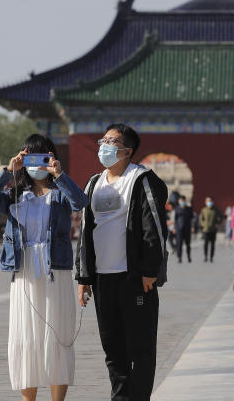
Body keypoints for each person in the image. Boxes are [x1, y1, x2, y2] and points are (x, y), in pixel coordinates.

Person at [0, 134, 89, 401]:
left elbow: (80, 202)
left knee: (58, 335)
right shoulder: (14, 195)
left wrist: (60, 175)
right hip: (24, 270)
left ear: (52, 158)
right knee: (25, 336)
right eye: (29, 156)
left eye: (42, 157)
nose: (36, 163)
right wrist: (9, 171)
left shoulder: (60, 195)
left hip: (56, 269)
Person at [75, 123, 168, 401]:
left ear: (127, 151)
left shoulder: (142, 179)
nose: (103, 145)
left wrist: (150, 270)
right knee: (113, 348)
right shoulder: (94, 183)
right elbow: (85, 232)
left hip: (135, 278)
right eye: (103, 139)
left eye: (111, 141)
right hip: (104, 279)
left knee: (139, 349)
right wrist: (84, 278)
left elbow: (155, 227)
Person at [198, 197, 223, 262]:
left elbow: (221, 217)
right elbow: (201, 219)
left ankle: (211, 257)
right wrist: (204, 224)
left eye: (210, 201)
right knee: (205, 244)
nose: (209, 202)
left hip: (213, 229)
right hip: (205, 230)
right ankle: (205, 256)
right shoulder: (203, 210)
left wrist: (218, 224)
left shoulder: (216, 210)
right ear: (205, 202)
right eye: (208, 201)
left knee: (212, 244)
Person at [173, 198, 194, 263]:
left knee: (188, 244)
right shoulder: (177, 209)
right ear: (179, 201)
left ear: (185, 201)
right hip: (179, 229)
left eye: (183, 201)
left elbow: (192, 219)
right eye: (181, 201)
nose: (182, 202)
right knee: (179, 244)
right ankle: (179, 257)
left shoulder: (189, 209)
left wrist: (192, 227)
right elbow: (175, 219)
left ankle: (189, 256)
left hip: (187, 228)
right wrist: (174, 228)